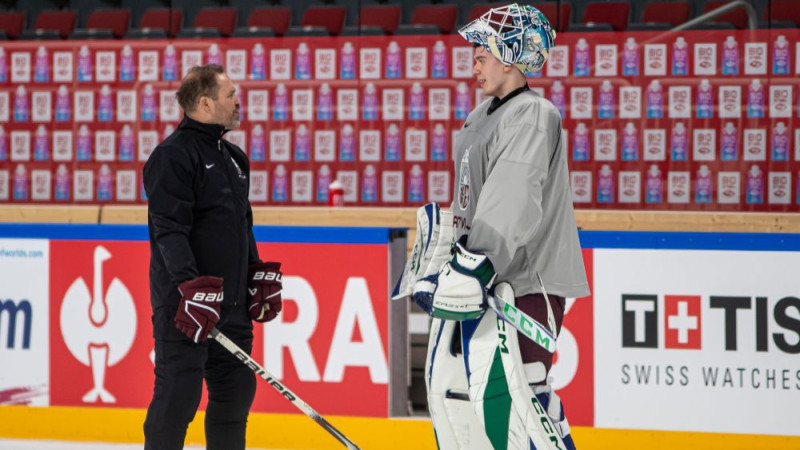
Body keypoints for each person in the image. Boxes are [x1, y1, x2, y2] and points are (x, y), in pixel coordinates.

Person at [409, 4, 590, 449]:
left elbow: (513, 198)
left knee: (524, 396)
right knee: (480, 403)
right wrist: (445, 256)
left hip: (525, 283)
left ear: (509, 56)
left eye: (481, 56)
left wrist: (473, 265)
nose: (474, 65)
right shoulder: (481, 115)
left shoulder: (533, 113)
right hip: (486, 278)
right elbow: (469, 200)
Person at [142, 64, 283, 450]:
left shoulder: (235, 158)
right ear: (204, 103)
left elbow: (242, 226)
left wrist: (256, 275)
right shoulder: (171, 157)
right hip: (186, 306)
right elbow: (169, 229)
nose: (238, 102)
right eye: (230, 95)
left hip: (232, 304)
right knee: (178, 397)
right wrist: (190, 286)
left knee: (236, 393)